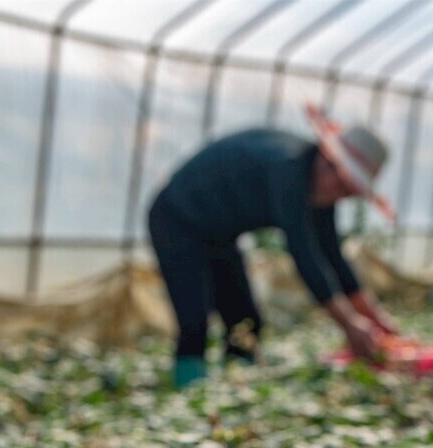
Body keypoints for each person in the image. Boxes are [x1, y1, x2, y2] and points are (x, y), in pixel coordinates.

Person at [148, 105, 398, 387]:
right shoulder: (288, 169)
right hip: (177, 219)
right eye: (341, 185)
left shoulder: (318, 187)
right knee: (194, 322)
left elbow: (332, 255)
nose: (339, 196)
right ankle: (189, 395)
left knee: (245, 320)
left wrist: (375, 319)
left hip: (219, 235)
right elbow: (304, 254)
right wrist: (349, 324)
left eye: (349, 193)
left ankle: (235, 390)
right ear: (327, 159)